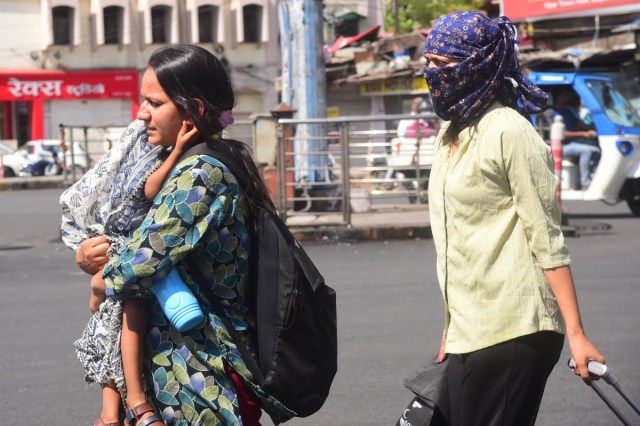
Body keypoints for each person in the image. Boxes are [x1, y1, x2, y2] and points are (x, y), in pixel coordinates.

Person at [70, 44, 293, 425]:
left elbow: (139, 262)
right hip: (180, 377)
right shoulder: (190, 159)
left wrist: (95, 277)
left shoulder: (202, 174)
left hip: (203, 383)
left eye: (154, 103)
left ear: (195, 109)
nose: (142, 115)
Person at [423, 11, 605, 426]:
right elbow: (459, 242)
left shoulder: (510, 131)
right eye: (428, 62)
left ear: (479, 65)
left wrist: (576, 334)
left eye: (444, 65)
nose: (432, 74)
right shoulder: (449, 131)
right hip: (470, 327)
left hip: (516, 327)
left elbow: (547, 238)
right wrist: (451, 328)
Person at [61, 104, 203, 425]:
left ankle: (111, 414)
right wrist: (179, 149)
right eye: (144, 101)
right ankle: (134, 402)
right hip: (126, 248)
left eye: (154, 102)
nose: (142, 112)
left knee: (114, 327)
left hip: (129, 250)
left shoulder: (168, 150)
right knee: (128, 314)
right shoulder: (149, 145)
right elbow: (149, 188)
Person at [552, 88, 600, 189]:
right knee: (587, 151)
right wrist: (583, 134)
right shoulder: (552, 113)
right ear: (559, 97)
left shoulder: (567, 111)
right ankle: (585, 181)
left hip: (570, 143)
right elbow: (562, 134)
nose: (569, 98)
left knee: (595, 148)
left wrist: (595, 128)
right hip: (557, 147)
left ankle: (587, 175)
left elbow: (579, 124)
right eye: (566, 95)